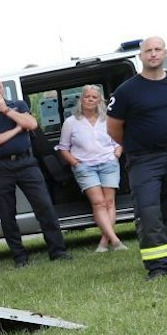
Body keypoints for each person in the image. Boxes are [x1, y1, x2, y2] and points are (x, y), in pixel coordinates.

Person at [105, 37, 167, 279]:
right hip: (144, 159)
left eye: (158, 50)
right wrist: (135, 145)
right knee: (148, 211)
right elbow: (113, 128)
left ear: (165, 53)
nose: (153, 54)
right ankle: (157, 266)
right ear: (141, 56)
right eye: (148, 51)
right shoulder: (127, 91)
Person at [0, 78, 70, 266]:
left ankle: (58, 251)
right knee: (7, 213)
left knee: (44, 206)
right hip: (1, 167)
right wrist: (17, 129)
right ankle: (20, 257)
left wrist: (6, 111)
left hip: (26, 162)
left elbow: (32, 124)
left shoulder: (17, 104)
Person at [56, 84, 127, 252]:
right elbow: (63, 148)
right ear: (81, 100)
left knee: (109, 202)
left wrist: (116, 154)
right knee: (98, 203)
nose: (90, 99)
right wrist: (76, 164)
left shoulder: (107, 119)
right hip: (85, 167)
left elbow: (119, 140)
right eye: (87, 96)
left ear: (99, 101)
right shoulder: (71, 122)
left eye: (94, 97)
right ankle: (116, 241)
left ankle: (104, 242)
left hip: (108, 163)